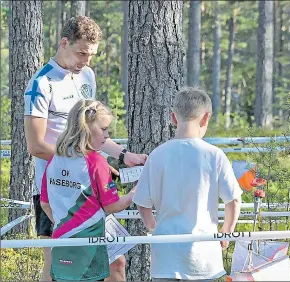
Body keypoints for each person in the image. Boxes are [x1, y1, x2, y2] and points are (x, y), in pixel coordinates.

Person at [24, 16, 146, 281]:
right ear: (64, 43)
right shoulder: (42, 83)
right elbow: (35, 145)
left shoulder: (87, 75)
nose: (86, 61)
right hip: (58, 190)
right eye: (82, 53)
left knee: (116, 263)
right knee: (57, 267)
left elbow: (94, 130)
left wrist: (124, 155)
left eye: (91, 55)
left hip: (93, 189)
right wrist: (81, 162)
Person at [133, 88, 242, 281]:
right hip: (203, 256)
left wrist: (152, 226)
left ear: (173, 118)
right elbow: (233, 200)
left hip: (165, 255)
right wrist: (226, 233)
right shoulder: (214, 155)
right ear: (205, 118)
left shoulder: (157, 155)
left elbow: (142, 202)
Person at [40, 99, 136, 281]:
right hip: (90, 243)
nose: (108, 136)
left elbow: (45, 203)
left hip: (62, 239)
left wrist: (65, 224)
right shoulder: (96, 161)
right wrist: (134, 193)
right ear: (87, 129)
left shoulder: (55, 159)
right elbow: (113, 206)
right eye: (104, 129)